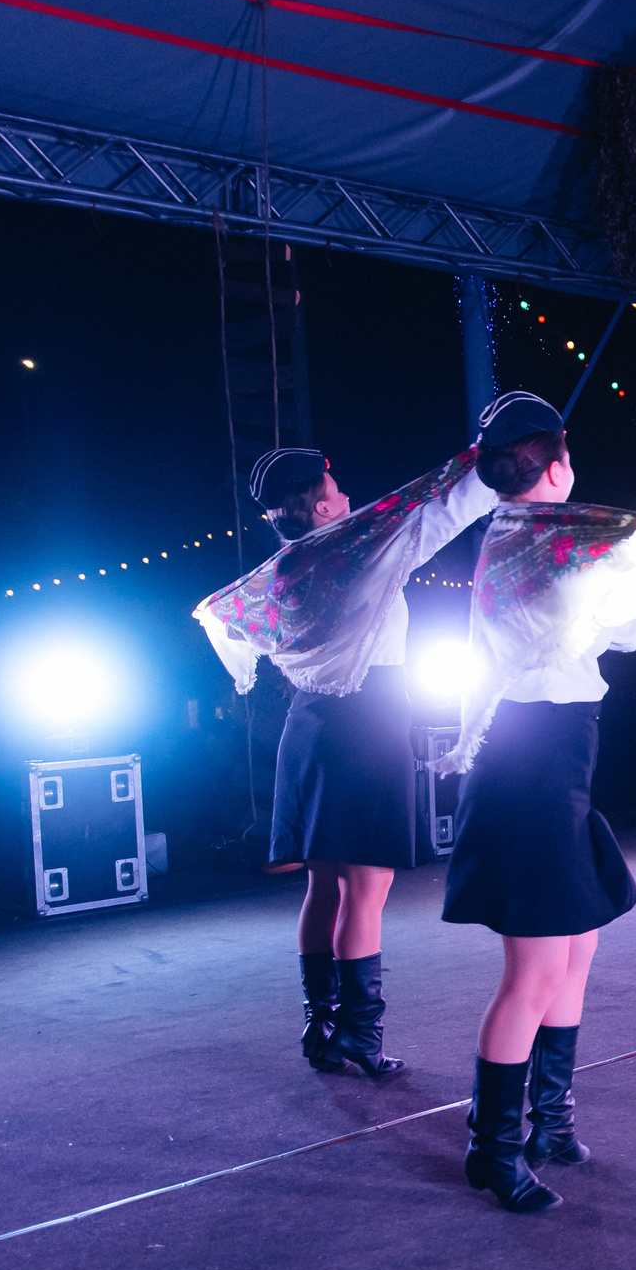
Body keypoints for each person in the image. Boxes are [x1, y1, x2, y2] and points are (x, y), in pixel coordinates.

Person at [439, 392, 636, 1213]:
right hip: (528, 771)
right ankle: (492, 1151)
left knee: (575, 951)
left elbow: (620, 621)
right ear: (556, 462)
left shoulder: (535, 543)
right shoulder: (536, 540)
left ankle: (550, 1122)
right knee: (533, 970)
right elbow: (626, 604)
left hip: (555, 766)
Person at [215, 442, 496, 1078]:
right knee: (366, 893)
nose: (348, 498)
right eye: (337, 491)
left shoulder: (284, 570)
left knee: (324, 886)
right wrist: (489, 461)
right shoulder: (358, 551)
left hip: (309, 728)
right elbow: (434, 514)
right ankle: (359, 1038)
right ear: (319, 507)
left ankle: (322, 1025)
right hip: (367, 726)